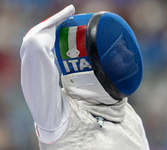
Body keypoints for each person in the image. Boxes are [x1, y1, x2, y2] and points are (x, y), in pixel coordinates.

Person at [20, 4, 150, 150]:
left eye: (124, 45)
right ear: (88, 67)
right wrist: (53, 29)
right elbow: (33, 43)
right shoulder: (62, 118)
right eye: (115, 53)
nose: (129, 54)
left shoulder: (129, 116)